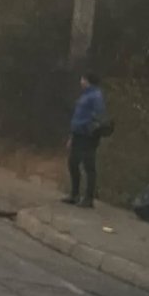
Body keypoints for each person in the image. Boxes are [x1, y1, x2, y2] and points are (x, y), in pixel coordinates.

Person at [63, 72, 106, 208]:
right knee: (73, 163)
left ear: (87, 80)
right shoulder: (85, 95)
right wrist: (72, 135)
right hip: (78, 134)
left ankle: (88, 198)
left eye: (82, 79)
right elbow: (78, 115)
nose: (80, 81)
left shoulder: (96, 96)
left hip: (88, 136)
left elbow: (98, 116)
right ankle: (74, 194)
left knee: (89, 166)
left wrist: (89, 128)